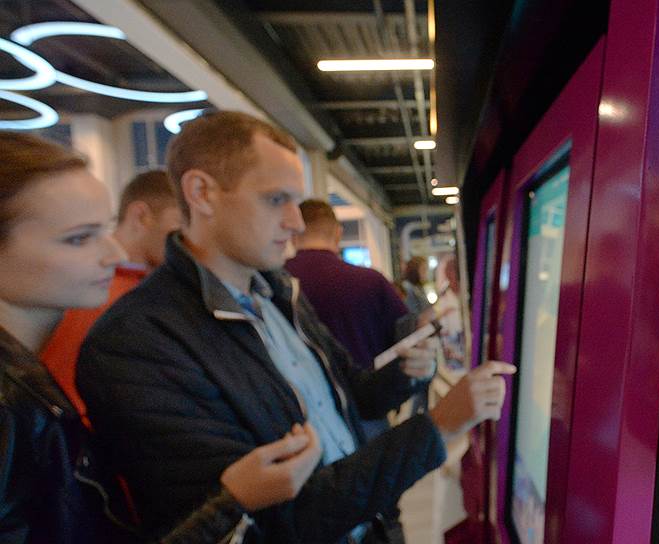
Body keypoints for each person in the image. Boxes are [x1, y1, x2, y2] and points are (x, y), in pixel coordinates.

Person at [76, 111, 515, 543]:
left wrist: (402, 373)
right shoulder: (136, 343)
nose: (296, 222)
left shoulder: (278, 294)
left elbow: (350, 395)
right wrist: (437, 428)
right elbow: (274, 519)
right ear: (202, 193)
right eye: (275, 200)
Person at [0, 131, 323, 543]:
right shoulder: (13, 405)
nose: (115, 254)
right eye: (78, 238)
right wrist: (230, 503)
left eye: (104, 230)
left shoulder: (28, 386)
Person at [40, 170, 182, 418]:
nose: (187, 240)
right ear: (141, 215)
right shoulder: (96, 292)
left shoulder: (143, 287)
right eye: (181, 226)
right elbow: (69, 398)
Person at [286, 199, 415, 440]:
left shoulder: (277, 283)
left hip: (296, 424)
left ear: (294, 232)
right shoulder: (372, 282)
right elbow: (406, 342)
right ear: (338, 233)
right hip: (366, 411)